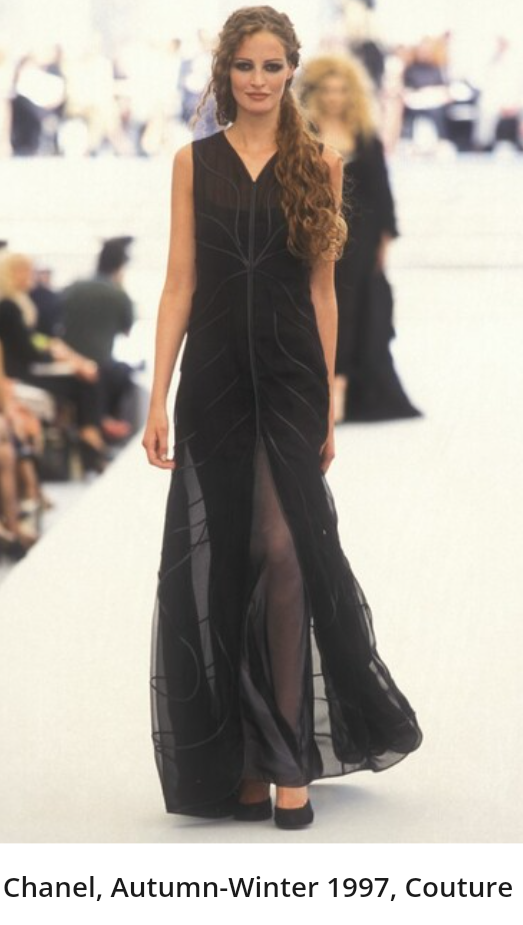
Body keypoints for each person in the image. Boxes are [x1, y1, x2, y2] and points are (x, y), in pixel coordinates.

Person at [142, 5, 423, 830]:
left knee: (283, 547)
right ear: (224, 72)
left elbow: (321, 291)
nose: (258, 80)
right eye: (245, 66)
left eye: (272, 66)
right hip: (214, 377)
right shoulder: (192, 163)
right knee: (225, 552)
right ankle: (244, 761)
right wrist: (156, 396)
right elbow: (179, 282)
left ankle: (286, 755)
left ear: (292, 70)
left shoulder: (321, 164)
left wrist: (329, 398)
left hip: (293, 376)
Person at [297, 53, 421, 422]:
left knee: (354, 308)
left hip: (361, 236)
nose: (334, 97)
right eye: (327, 89)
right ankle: (318, 388)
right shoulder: (304, 134)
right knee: (314, 304)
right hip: (316, 229)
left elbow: (382, 192)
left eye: (341, 90)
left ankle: (341, 389)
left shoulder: (365, 136)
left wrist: (385, 242)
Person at [0, 251, 109, 473]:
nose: (31, 275)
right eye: (27, 271)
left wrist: (60, 354)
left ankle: (90, 434)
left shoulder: (20, 304)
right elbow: (27, 350)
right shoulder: (9, 307)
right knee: (83, 383)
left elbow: (34, 341)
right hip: (18, 373)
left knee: (85, 380)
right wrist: (61, 358)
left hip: (26, 368)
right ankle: (90, 434)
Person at [60, 237, 136, 440]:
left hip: (69, 364)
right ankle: (106, 423)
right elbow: (127, 330)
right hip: (100, 367)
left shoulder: (74, 288)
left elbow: (55, 320)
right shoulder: (119, 295)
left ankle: (99, 425)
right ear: (120, 266)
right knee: (122, 374)